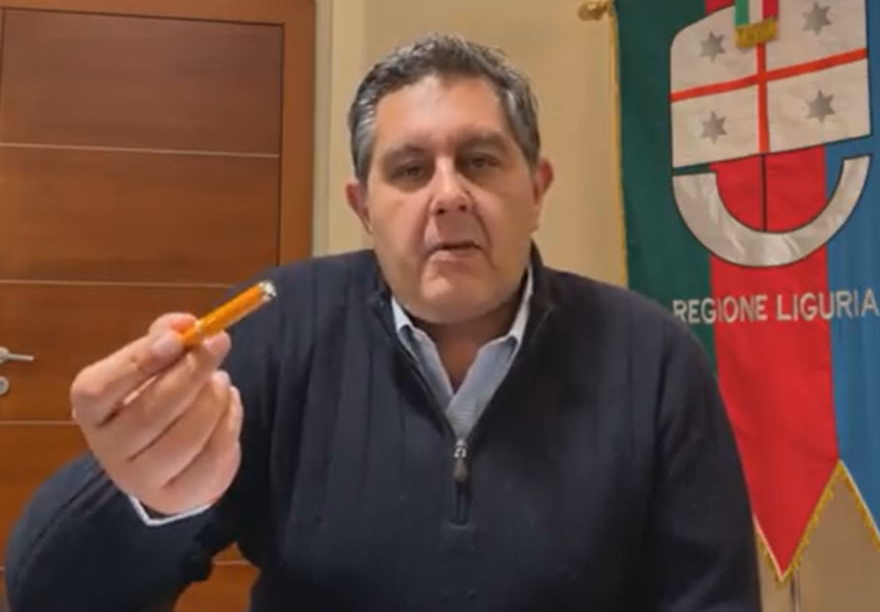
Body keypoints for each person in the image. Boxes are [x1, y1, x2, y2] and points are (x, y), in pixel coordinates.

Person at [3, 33, 762, 612]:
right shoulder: (277, 330)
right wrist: (143, 495)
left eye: (480, 161)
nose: (448, 195)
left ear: (536, 189)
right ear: (363, 207)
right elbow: (46, 594)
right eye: (409, 170)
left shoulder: (651, 357)